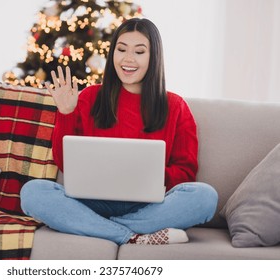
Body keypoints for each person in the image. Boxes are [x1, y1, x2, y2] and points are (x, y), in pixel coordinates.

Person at [21, 18, 218, 245]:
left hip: (150, 206)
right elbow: (66, 163)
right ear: (112, 53)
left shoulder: (176, 106)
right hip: (92, 201)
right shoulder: (89, 97)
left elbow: (186, 172)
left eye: (139, 51)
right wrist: (66, 114)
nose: (128, 59)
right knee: (33, 193)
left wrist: (148, 173)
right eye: (121, 49)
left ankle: (101, 228)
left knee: (205, 197)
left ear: (154, 57)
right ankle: (134, 237)